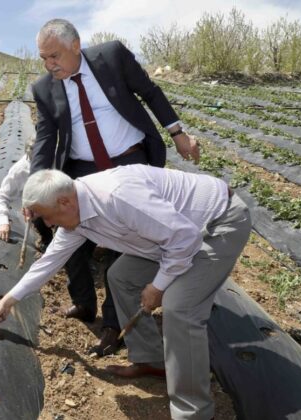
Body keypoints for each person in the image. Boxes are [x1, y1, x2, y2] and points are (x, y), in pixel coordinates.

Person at [0, 166, 251, 420]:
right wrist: (8, 302)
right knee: (121, 276)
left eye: (46, 216)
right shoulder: (74, 217)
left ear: (65, 202)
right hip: (168, 238)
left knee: (180, 308)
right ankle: (153, 361)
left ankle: (195, 413)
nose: (47, 223)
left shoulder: (118, 196)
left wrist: (158, 286)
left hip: (215, 224)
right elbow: (50, 262)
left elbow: (185, 238)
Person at [29, 18, 200, 355]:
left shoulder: (111, 57)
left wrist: (178, 134)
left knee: (124, 243)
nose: (50, 65)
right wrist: (36, 187)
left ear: (75, 45)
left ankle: (112, 323)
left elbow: (149, 92)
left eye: (55, 57)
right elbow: (46, 137)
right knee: (68, 238)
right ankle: (83, 303)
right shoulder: (44, 88)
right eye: (44, 59)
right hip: (84, 168)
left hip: (129, 161)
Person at [0, 135, 53, 246]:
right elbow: (2, 197)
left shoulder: (57, 160)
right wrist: (3, 222)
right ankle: (47, 240)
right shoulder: (20, 171)